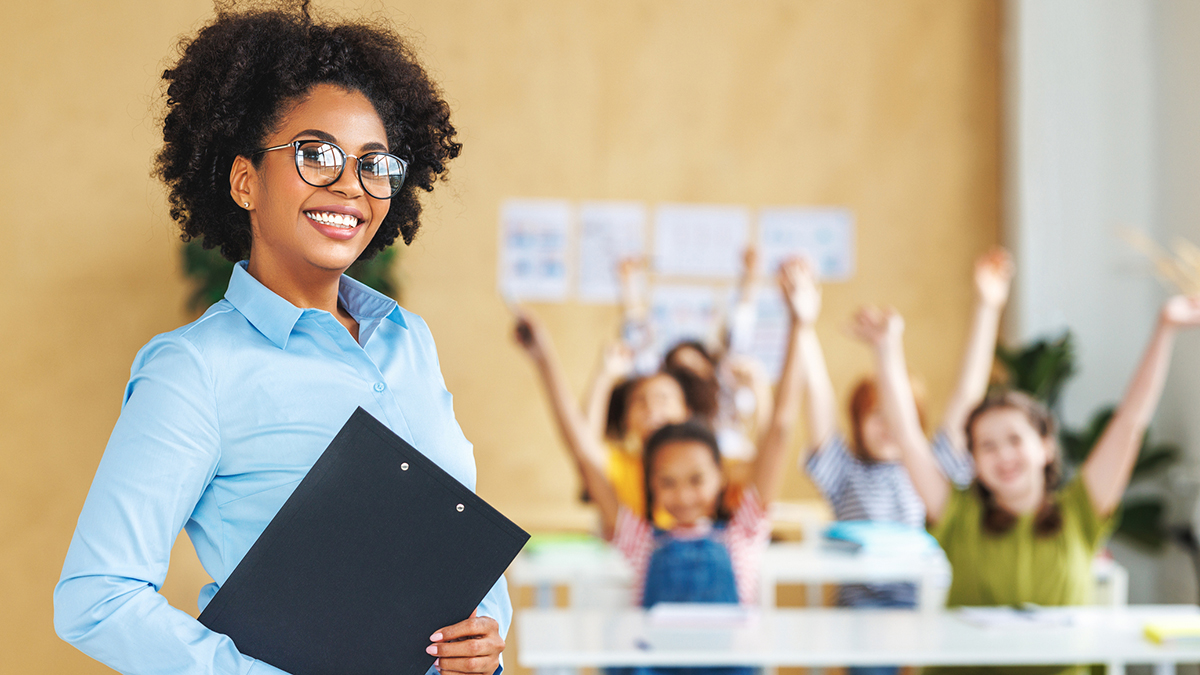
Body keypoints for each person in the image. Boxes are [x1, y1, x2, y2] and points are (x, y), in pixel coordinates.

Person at [52, 4, 509, 674]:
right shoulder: (194, 370)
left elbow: (450, 543)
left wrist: (483, 636)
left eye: (373, 163)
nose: (350, 185)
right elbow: (96, 596)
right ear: (245, 181)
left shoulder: (408, 341)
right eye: (317, 155)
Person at [871, 294, 1200, 675]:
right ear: (974, 461)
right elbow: (909, 438)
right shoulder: (957, 514)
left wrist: (1165, 329)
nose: (1003, 456)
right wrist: (885, 349)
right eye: (987, 446)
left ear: (1045, 447)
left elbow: (1130, 422)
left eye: (1014, 440)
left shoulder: (1081, 510)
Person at [574, 258, 810, 675]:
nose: (682, 495)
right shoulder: (640, 541)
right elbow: (582, 445)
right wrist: (557, 362)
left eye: (697, 479)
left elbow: (781, 428)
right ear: (650, 483)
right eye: (667, 482)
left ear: (721, 476)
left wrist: (800, 324)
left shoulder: (744, 532)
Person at [798, 250, 1012, 622]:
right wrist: (802, 326)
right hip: (860, 618)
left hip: (929, 609)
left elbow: (968, 395)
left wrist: (987, 307)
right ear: (856, 421)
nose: (888, 426)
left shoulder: (929, 468)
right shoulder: (843, 473)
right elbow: (816, 394)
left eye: (898, 414)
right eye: (874, 415)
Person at [515, 312, 692, 525]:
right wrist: (546, 359)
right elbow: (582, 443)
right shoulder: (623, 468)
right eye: (640, 401)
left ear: (686, 411)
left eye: (663, 399)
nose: (652, 409)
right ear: (626, 419)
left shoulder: (708, 464)